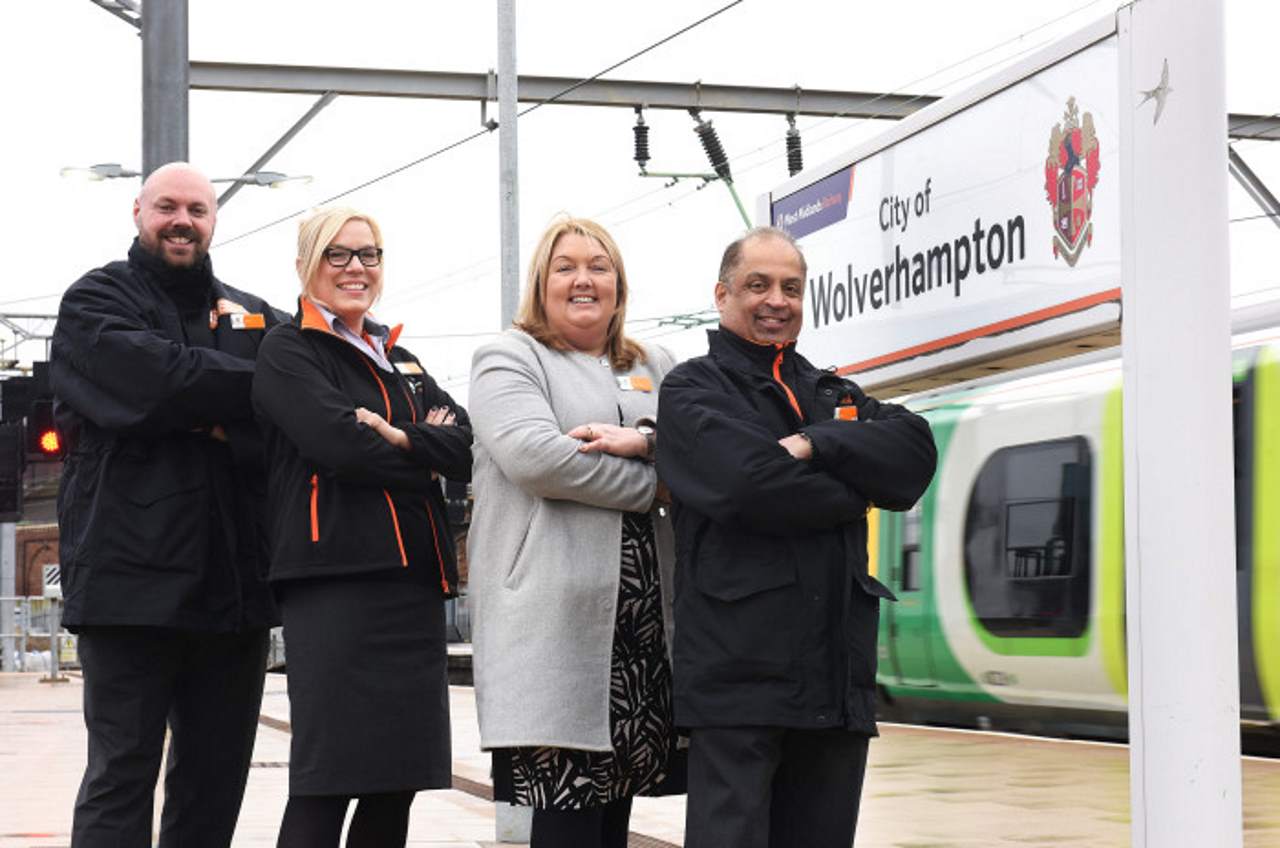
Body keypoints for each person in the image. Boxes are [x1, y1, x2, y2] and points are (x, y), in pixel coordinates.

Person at [656, 227, 937, 848]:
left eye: (790, 286)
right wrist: (854, 490)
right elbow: (748, 485)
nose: (775, 300)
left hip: (835, 678)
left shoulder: (833, 393)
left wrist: (818, 442)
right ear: (722, 294)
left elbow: (914, 453)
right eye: (757, 284)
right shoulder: (691, 390)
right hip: (739, 684)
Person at [51, 162, 284, 848]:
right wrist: (239, 399)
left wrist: (205, 412)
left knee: (215, 781)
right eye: (167, 207)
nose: (183, 220)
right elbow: (156, 381)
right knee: (122, 774)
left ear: (215, 220)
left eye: (198, 209)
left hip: (234, 590)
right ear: (137, 212)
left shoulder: (254, 313)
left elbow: (291, 405)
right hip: (128, 589)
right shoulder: (94, 302)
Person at [250, 207, 472, 848]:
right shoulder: (289, 350)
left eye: (368, 254)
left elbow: (465, 444)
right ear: (306, 266)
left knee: (395, 781)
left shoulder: (399, 356)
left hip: (413, 585)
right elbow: (339, 447)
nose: (355, 268)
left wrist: (401, 435)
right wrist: (423, 454)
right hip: (335, 585)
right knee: (328, 778)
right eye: (338, 255)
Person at [468, 216, 680, 848]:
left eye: (599, 266)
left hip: (642, 628)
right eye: (566, 266)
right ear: (542, 282)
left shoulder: (656, 363)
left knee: (613, 816)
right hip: (554, 627)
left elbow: (704, 455)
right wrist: (657, 485)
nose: (584, 279)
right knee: (566, 818)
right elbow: (538, 459)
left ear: (619, 284)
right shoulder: (508, 358)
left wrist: (648, 445)